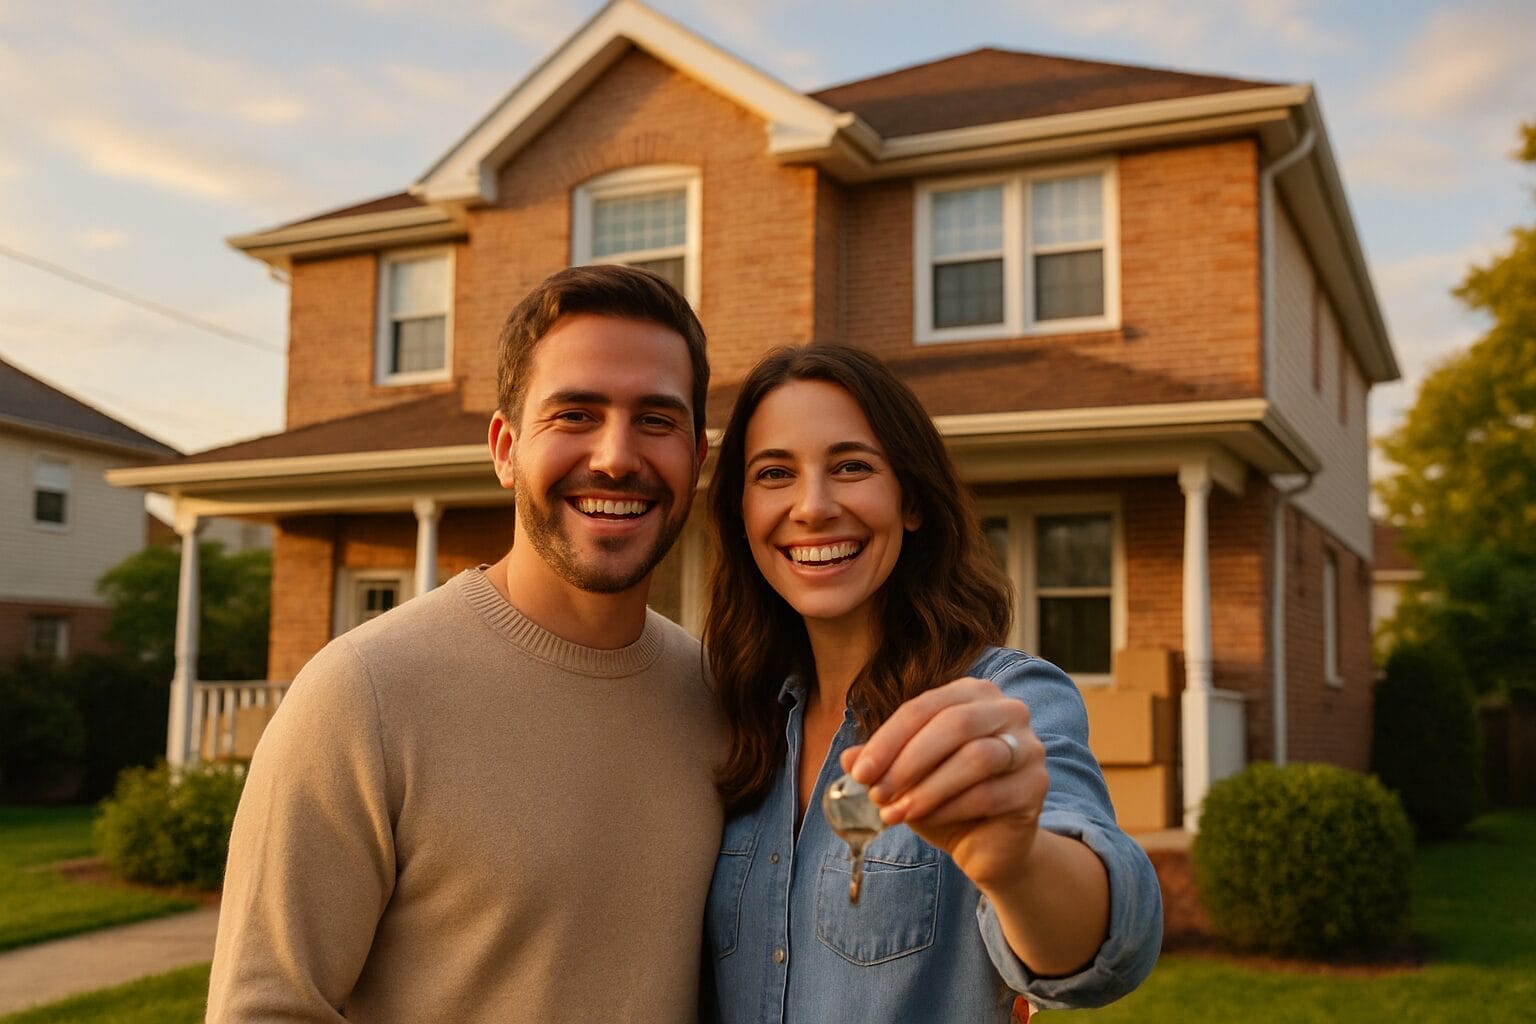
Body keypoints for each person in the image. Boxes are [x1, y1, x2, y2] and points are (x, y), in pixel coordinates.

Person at [208, 265, 723, 1023]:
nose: (617, 456)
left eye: (656, 419)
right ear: (505, 447)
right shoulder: (365, 694)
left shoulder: (714, 697)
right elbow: (267, 1007)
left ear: (697, 458)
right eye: (575, 414)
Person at [702, 344, 1162, 1022]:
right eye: (774, 473)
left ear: (911, 498)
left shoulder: (1003, 701)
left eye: (851, 466)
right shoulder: (728, 715)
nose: (813, 506)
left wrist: (1018, 862)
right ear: (741, 514)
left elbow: (1102, 942)